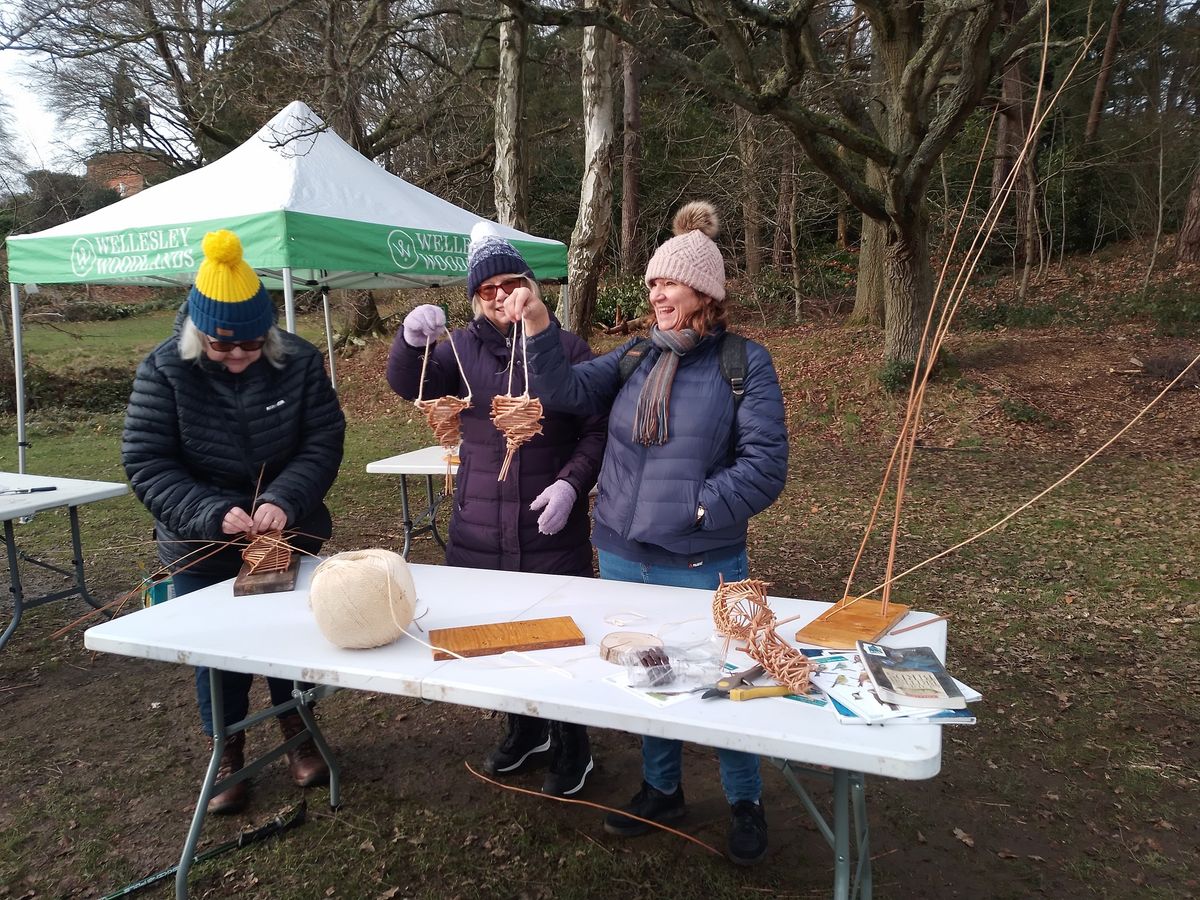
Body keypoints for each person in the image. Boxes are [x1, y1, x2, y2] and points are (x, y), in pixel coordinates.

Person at [501, 201, 788, 865]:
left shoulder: (744, 365)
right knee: (650, 676)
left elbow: (766, 466)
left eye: (669, 283)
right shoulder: (635, 357)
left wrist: (697, 508)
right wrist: (541, 323)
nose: (655, 293)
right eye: (653, 283)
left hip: (703, 559)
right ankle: (662, 790)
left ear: (705, 293)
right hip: (625, 557)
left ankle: (744, 801)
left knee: (724, 685)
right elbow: (565, 391)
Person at [122, 229, 346, 815]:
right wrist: (210, 512)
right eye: (224, 348)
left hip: (286, 531)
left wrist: (286, 498)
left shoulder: (297, 360)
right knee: (218, 649)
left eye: (251, 345)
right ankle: (227, 751)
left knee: (290, 638)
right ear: (199, 335)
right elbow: (146, 461)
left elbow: (323, 440)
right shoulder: (164, 370)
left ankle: (298, 736)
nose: (240, 357)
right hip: (201, 542)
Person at [386, 224, 607, 798]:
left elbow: (595, 430)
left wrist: (570, 484)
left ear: (531, 288)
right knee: (497, 633)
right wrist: (411, 342)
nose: (502, 295)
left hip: (548, 526)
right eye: (488, 289)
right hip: (480, 523)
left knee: (561, 635)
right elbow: (408, 384)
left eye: (512, 283)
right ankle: (524, 728)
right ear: (476, 298)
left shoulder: (567, 348)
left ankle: (571, 741)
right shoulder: (457, 351)